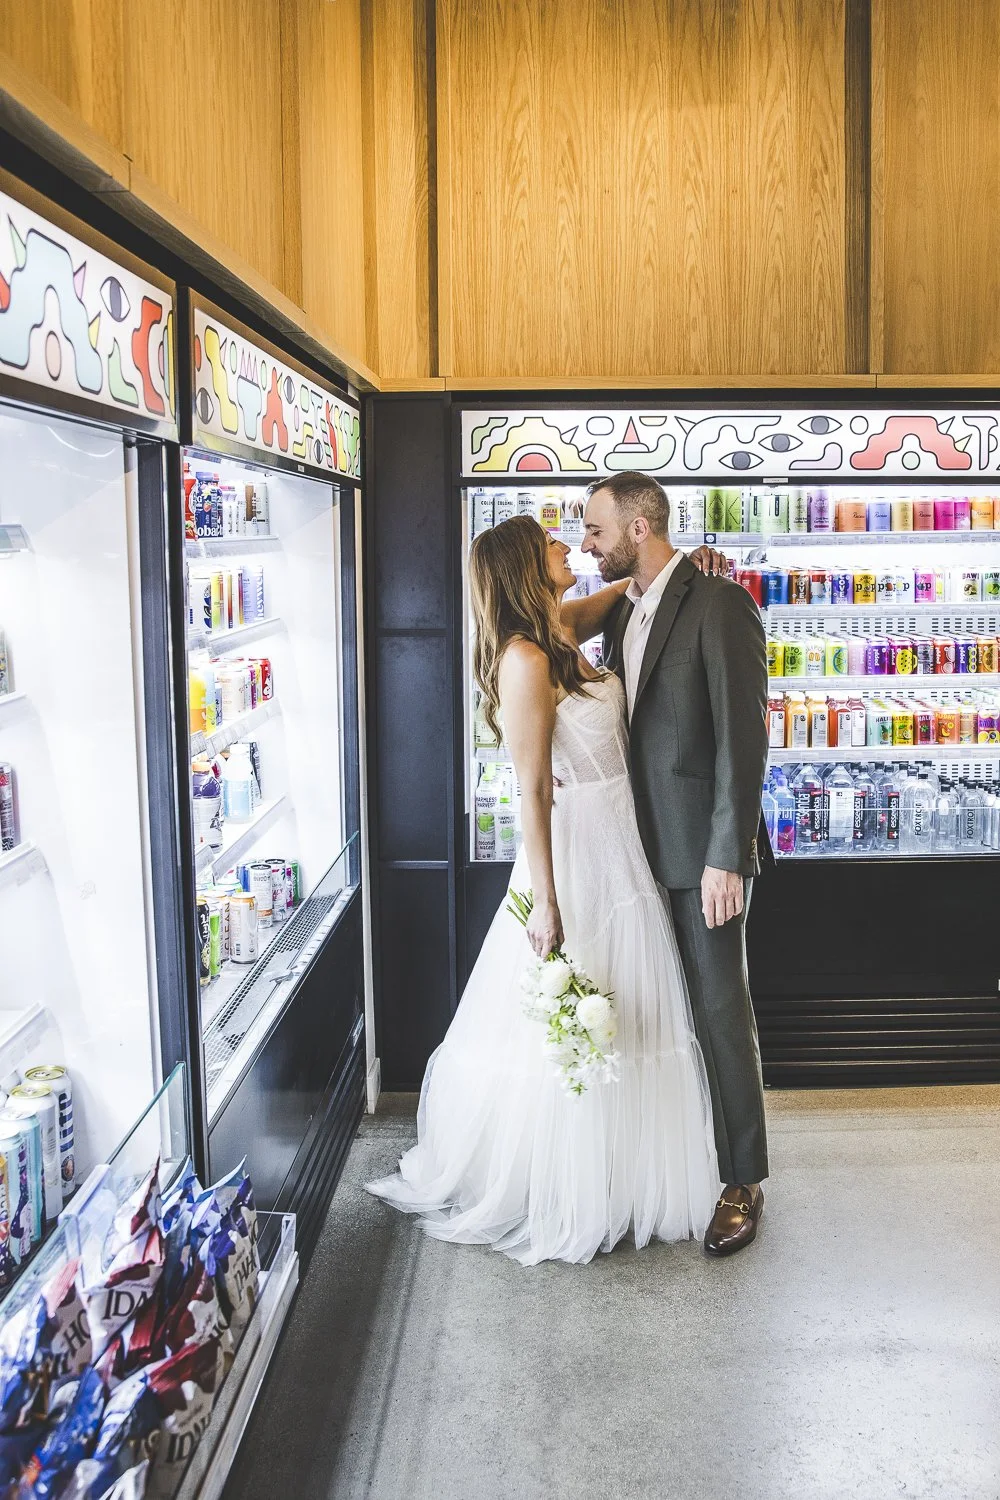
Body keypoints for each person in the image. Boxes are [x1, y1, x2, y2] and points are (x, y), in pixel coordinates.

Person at [368, 516, 729, 1266]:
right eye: (551, 545)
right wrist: (547, 901)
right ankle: (573, 1183)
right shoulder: (525, 658)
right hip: (575, 851)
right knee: (580, 1013)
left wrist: (681, 563)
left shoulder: (558, 628)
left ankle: (623, 1175)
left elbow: (626, 590)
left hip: (621, 840)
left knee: (632, 1004)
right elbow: (530, 788)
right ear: (526, 567)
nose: (567, 547)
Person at [580, 471, 770, 1257]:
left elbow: (744, 740)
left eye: (596, 529)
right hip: (631, 852)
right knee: (661, 1014)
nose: (587, 543)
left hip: (701, 854)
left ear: (639, 527)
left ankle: (743, 1180)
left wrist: (729, 854)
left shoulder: (722, 605)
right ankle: (680, 1164)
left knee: (720, 1009)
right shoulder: (621, 609)